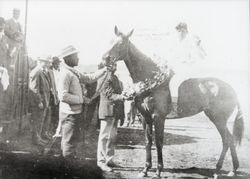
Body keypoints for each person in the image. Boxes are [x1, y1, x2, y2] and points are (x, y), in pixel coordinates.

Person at [57, 45, 108, 160]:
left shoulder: (73, 72)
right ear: (68, 58)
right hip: (70, 114)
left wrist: (105, 70)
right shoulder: (65, 74)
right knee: (69, 143)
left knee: (73, 142)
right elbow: (63, 96)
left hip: (75, 113)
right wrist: (81, 100)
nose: (78, 58)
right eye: (76, 56)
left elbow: (89, 78)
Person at [166, 22, 207, 118]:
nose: (179, 33)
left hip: (188, 68)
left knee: (174, 82)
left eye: (181, 30)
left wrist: (198, 46)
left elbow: (203, 55)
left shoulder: (192, 40)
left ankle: (174, 109)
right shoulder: (176, 42)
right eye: (178, 31)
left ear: (185, 31)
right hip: (176, 67)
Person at [97, 62, 126, 172]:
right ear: (107, 66)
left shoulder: (114, 77)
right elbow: (109, 94)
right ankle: (101, 161)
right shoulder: (103, 77)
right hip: (107, 110)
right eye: (112, 65)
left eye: (115, 65)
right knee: (104, 136)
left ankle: (109, 159)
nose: (115, 67)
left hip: (114, 111)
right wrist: (122, 96)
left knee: (112, 137)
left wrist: (121, 114)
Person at [29, 56, 52, 145]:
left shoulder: (41, 71)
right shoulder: (37, 71)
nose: (48, 64)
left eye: (48, 62)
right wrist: (39, 101)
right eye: (46, 62)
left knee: (40, 120)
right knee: (37, 121)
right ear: (40, 61)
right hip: (39, 102)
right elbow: (34, 88)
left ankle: (39, 138)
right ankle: (36, 140)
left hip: (43, 101)